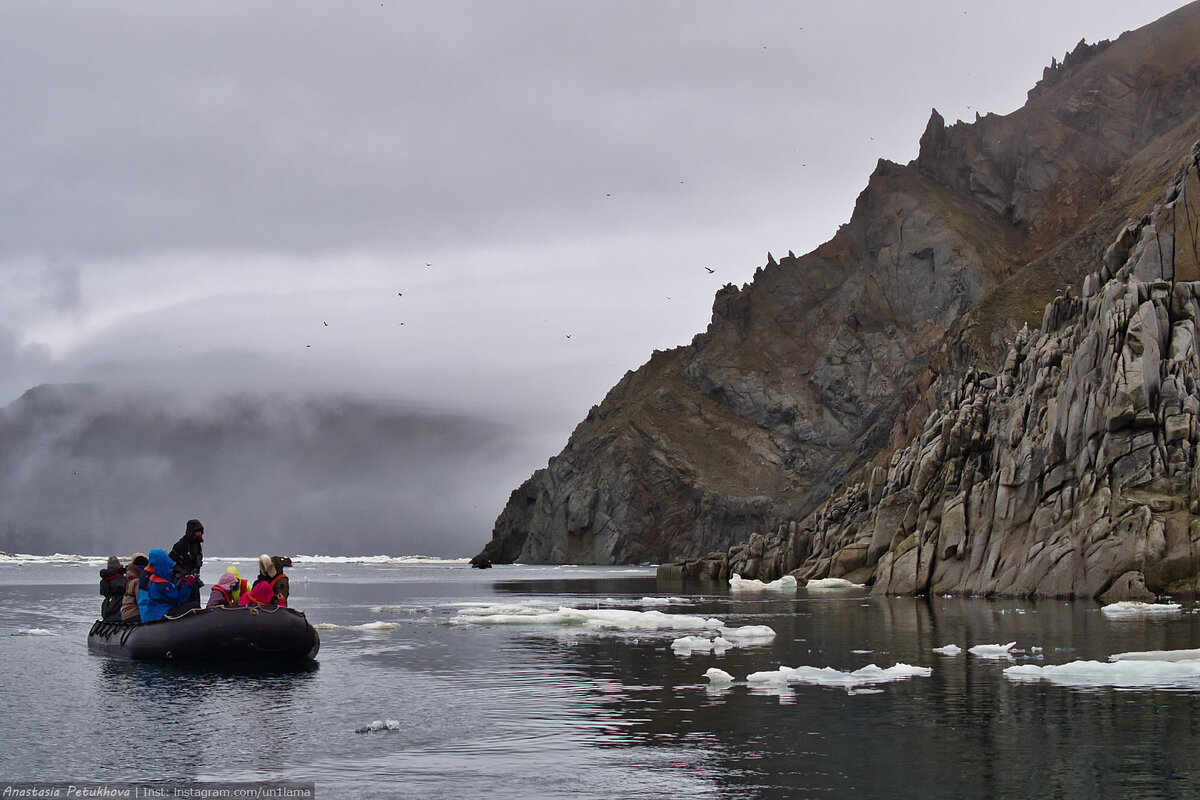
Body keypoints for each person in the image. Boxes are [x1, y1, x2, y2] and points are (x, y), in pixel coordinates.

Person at [137, 549, 197, 622]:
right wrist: (188, 585)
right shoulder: (162, 584)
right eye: (169, 567)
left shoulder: (152, 579)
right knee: (194, 605)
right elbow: (178, 599)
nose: (171, 570)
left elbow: (170, 593)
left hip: (150, 613)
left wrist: (181, 584)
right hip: (161, 613)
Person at [168, 519, 205, 601]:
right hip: (182, 581)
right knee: (185, 602)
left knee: (195, 601)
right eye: (197, 531)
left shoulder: (197, 546)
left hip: (194, 580)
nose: (199, 534)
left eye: (200, 531)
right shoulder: (180, 545)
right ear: (191, 532)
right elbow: (170, 562)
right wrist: (183, 572)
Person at [120, 553, 148, 623]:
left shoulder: (130, 579)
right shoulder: (137, 581)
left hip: (125, 613)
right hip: (133, 614)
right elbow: (140, 600)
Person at [99, 556, 126, 621]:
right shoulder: (122, 580)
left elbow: (103, 592)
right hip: (119, 609)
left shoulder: (104, 581)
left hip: (107, 607)